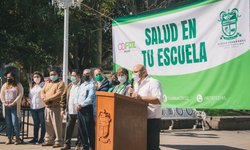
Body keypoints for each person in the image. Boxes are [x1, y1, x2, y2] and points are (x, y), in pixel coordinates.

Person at [130, 64, 164, 150]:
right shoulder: (135, 84)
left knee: (151, 146)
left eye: (135, 72)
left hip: (152, 120)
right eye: (132, 72)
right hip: (139, 119)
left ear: (144, 72)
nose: (133, 74)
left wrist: (140, 97)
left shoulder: (153, 82)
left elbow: (158, 100)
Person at [41, 69, 65, 148]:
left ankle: (59, 141)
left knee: (57, 125)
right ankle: (49, 140)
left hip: (56, 107)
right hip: (47, 107)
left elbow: (59, 94)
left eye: (54, 74)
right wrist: (43, 97)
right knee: (48, 124)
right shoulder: (47, 83)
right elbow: (42, 91)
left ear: (58, 75)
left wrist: (48, 99)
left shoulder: (61, 83)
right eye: (51, 74)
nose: (52, 76)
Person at [0, 70, 23, 145]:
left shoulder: (18, 85)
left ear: (14, 77)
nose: (8, 78)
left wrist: (14, 102)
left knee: (15, 123)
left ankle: (17, 138)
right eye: (7, 77)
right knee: (8, 123)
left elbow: (20, 94)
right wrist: (4, 102)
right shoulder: (5, 85)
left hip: (14, 106)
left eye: (10, 77)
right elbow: (1, 95)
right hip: (6, 107)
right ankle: (9, 138)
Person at [74, 69, 95, 150]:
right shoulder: (82, 85)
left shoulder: (92, 85)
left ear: (91, 74)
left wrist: (81, 105)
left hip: (87, 109)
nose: (86, 75)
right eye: (84, 74)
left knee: (89, 130)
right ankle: (85, 146)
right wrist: (76, 104)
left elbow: (90, 98)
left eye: (87, 74)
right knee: (81, 129)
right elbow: (77, 96)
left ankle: (92, 147)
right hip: (80, 110)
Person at [60, 70, 81, 150]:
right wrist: (62, 109)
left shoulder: (82, 86)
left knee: (80, 129)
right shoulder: (69, 86)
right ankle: (67, 144)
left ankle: (78, 145)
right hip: (70, 111)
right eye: (71, 75)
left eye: (74, 76)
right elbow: (63, 97)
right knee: (68, 128)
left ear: (78, 77)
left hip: (79, 111)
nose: (72, 77)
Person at [28, 71, 46, 144]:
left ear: (41, 77)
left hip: (41, 107)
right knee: (36, 124)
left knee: (43, 123)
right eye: (34, 77)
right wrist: (28, 99)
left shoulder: (44, 85)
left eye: (37, 76)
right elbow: (30, 95)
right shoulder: (32, 86)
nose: (36, 78)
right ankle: (35, 138)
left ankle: (41, 138)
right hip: (33, 107)